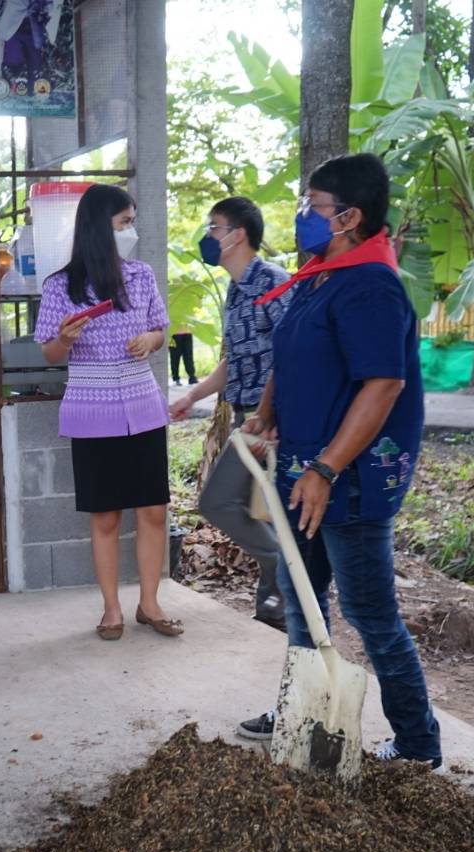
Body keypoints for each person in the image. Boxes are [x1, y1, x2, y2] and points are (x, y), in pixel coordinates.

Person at [232, 153, 442, 768]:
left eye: (313, 206)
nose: (303, 216)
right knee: (302, 596)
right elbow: (291, 354)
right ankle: (305, 708)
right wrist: (267, 413)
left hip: (348, 480)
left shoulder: (372, 285)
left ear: (348, 216)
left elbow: (383, 386)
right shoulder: (323, 273)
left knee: (371, 615)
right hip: (304, 468)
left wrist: (325, 469)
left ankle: (416, 743)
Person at [35, 184, 179, 640]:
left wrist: (151, 341)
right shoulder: (60, 286)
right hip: (92, 409)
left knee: (153, 510)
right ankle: (111, 609)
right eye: (124, 223)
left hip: (142, 404)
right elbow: (50, 353)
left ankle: (150, 604)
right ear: (100, 227)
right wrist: (66, 338)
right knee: (106, 515)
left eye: (131, 222)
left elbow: (160, 328)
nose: (130, 231)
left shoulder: (140, 276)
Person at [170, 196, 293, 627]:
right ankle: (279, 596)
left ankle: (281, 597)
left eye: (214, 227)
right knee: (234, 506)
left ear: (238, 234)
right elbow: (235, 361)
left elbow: (297, 356)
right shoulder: (237, 289)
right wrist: (193, 396)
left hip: (274, 423)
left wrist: (275, 416)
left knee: (228, 503)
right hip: (248, 417)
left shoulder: (276, 283)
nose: (208, 236)